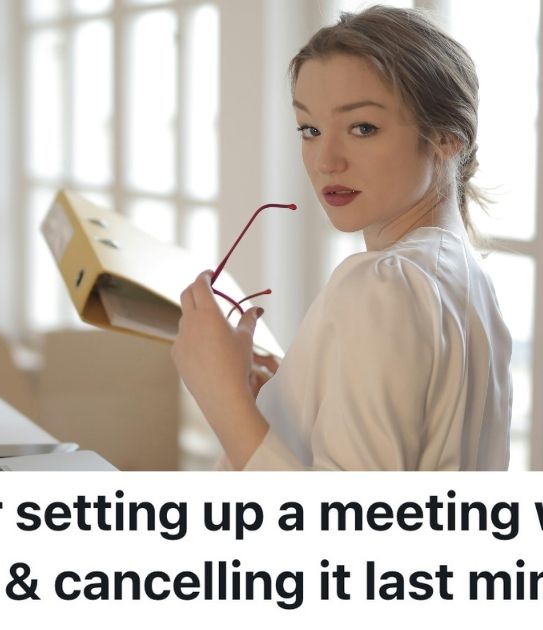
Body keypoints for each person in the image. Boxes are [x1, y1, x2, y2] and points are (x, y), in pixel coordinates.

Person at [171, 6, 512, 471]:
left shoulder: (384, 284)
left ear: (447, 138)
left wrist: (220, 395)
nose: (325, 160)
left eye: (362, 128)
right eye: (310, 129)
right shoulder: (470, 281)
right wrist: (294, 402)